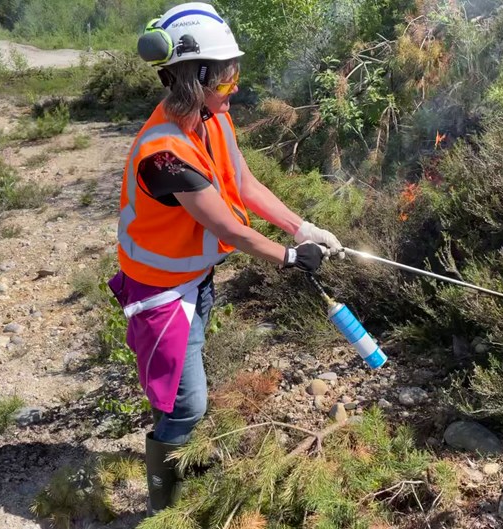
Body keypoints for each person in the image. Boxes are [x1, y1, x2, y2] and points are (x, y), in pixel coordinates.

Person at [106, 2, 345, 515]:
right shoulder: (163, 154)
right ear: (199, 76)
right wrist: (289, 256)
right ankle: (164, 511)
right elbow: (226, 227)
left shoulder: (210, 121)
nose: (235, 83)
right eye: (229, 75)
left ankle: (183, 477)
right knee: (185, 403)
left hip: (195, 279)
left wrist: (300, 226)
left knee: (185, 392)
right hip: (159, 292)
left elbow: (244, 183)